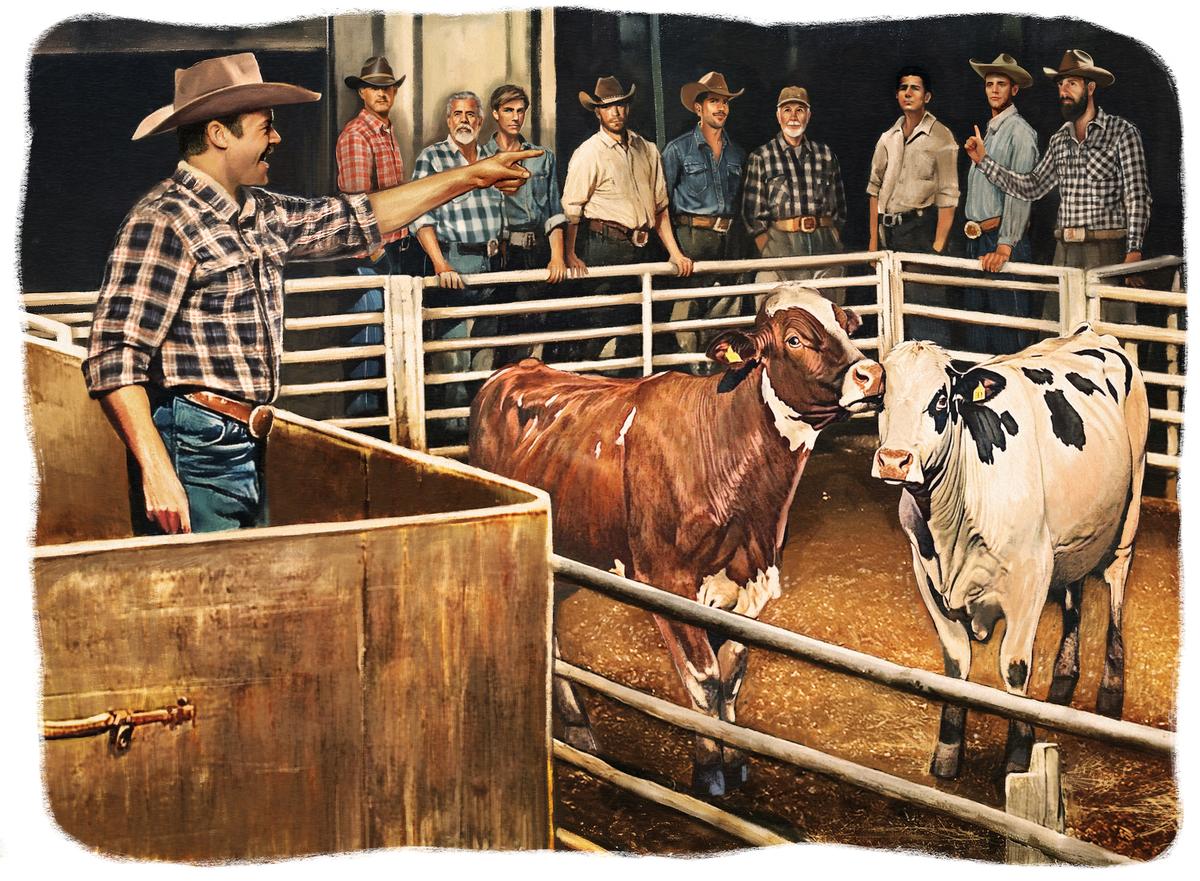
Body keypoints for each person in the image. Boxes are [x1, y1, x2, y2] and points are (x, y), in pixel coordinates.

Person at [82, 53, 537, 535]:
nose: (276, 139)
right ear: (219, 134)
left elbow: (358, 217)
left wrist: (472, 175)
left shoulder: (260, 211)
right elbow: (114, 355)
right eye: (265, 127)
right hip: (194, 447)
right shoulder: (162, 220)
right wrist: (156, 468)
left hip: (245, 440)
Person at [965, 49, 1152, 323]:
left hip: (1106, 248)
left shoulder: (1122, 132)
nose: (1064, 90)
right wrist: (984, 162)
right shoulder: (1059, 139)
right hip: (1064, 251)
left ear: (1090, 87)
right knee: (1060, 337)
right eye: (1060, 84)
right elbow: (1032, 186)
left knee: (1108, 338)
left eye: (1071, 83)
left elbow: (1137, 195)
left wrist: (1133, 250)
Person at [556, 75, 693, 367]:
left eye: (620, 105)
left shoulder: (648, 149)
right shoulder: (588, 153)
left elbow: (660, 209)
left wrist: (674, 252)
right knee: (602, 323)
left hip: (644, 247)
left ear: (627, 108)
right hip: (606, 247)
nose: (615, 113)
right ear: (597, 112)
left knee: (643, 325)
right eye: (608, 108)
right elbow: (572, 211)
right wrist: (570, 254)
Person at [410, 91, 507, 439]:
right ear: (448, 121)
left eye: (470, 115)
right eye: (457, 115)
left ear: (480, 122)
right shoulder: (432, 158)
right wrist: (440, 264)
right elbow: (420, 215)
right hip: (454, 261)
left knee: (484, 356)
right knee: (451, 359)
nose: (463, 120)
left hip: (492, 263)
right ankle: (451, 438)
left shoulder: (492, 160)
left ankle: (478, 436)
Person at [335, 55, 411, 422]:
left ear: (394, 91)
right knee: (367, 346)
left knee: (387, 346)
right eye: (374, 88)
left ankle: (379, 433)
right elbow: (355, 203)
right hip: (371, 258)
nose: (382, 94)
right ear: (362, 92)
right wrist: (379, 254)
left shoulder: (385, 131)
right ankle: (363, 434)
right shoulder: (357, 135)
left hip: (393, 250)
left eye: (387, 87)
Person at [867, 65, 960, 345]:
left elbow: (948, 196)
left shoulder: (941, 136)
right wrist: (873, 242)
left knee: (925, 315)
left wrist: (938, 247)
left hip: (921, 231)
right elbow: (874, 189)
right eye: (903, 88)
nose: (908, 93)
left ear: (927, 96)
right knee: (892, 312)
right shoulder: (888, 137)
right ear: (897, 95)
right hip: (889, 234)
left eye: (915, 88)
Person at [662, 71, 750, 363]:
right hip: (692, 240)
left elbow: (742, 205)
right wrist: (675, 251)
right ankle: (691, 372)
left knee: (726, 315)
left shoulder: (737, 153)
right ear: (698, 108)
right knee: (686, 318)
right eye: (713, 101)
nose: (721, 107)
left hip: (728, 240)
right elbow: (660, 205)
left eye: (725, 101)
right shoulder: (677, 149)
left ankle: (720, 378)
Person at [479, 83, 569, 366]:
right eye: (508, 110)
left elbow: (554, 209)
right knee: (502, 333)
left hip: (540, 252)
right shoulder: (481, 158)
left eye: (520, 111)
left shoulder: (543, 157)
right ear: (495, 113)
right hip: (505, 255)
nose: (516, 117)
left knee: (538, 329)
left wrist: (557, 256)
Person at [960, 53, 1040, 354]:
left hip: (1004, 240)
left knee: (1009, 335)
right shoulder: (990, 132)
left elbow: (1020, 192)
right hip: (978, 241)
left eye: (1001, 84)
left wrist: (1005, 245)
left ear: (1014, 90)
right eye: (989, 83)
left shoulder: (1020, 132)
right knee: (979, 335)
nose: (994, 90)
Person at [742, 85, 848, 303]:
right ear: (778, 115)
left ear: (808, 115)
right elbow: (752, 215)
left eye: (799, 110)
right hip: (781, 246)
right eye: (787, 109)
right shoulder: (761, 156)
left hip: (823, 246)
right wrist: (770, 249)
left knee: (828, 315)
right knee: (779, 314)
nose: (793, 116)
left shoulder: (825, 154)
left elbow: (839, 207)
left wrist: (832, 238)